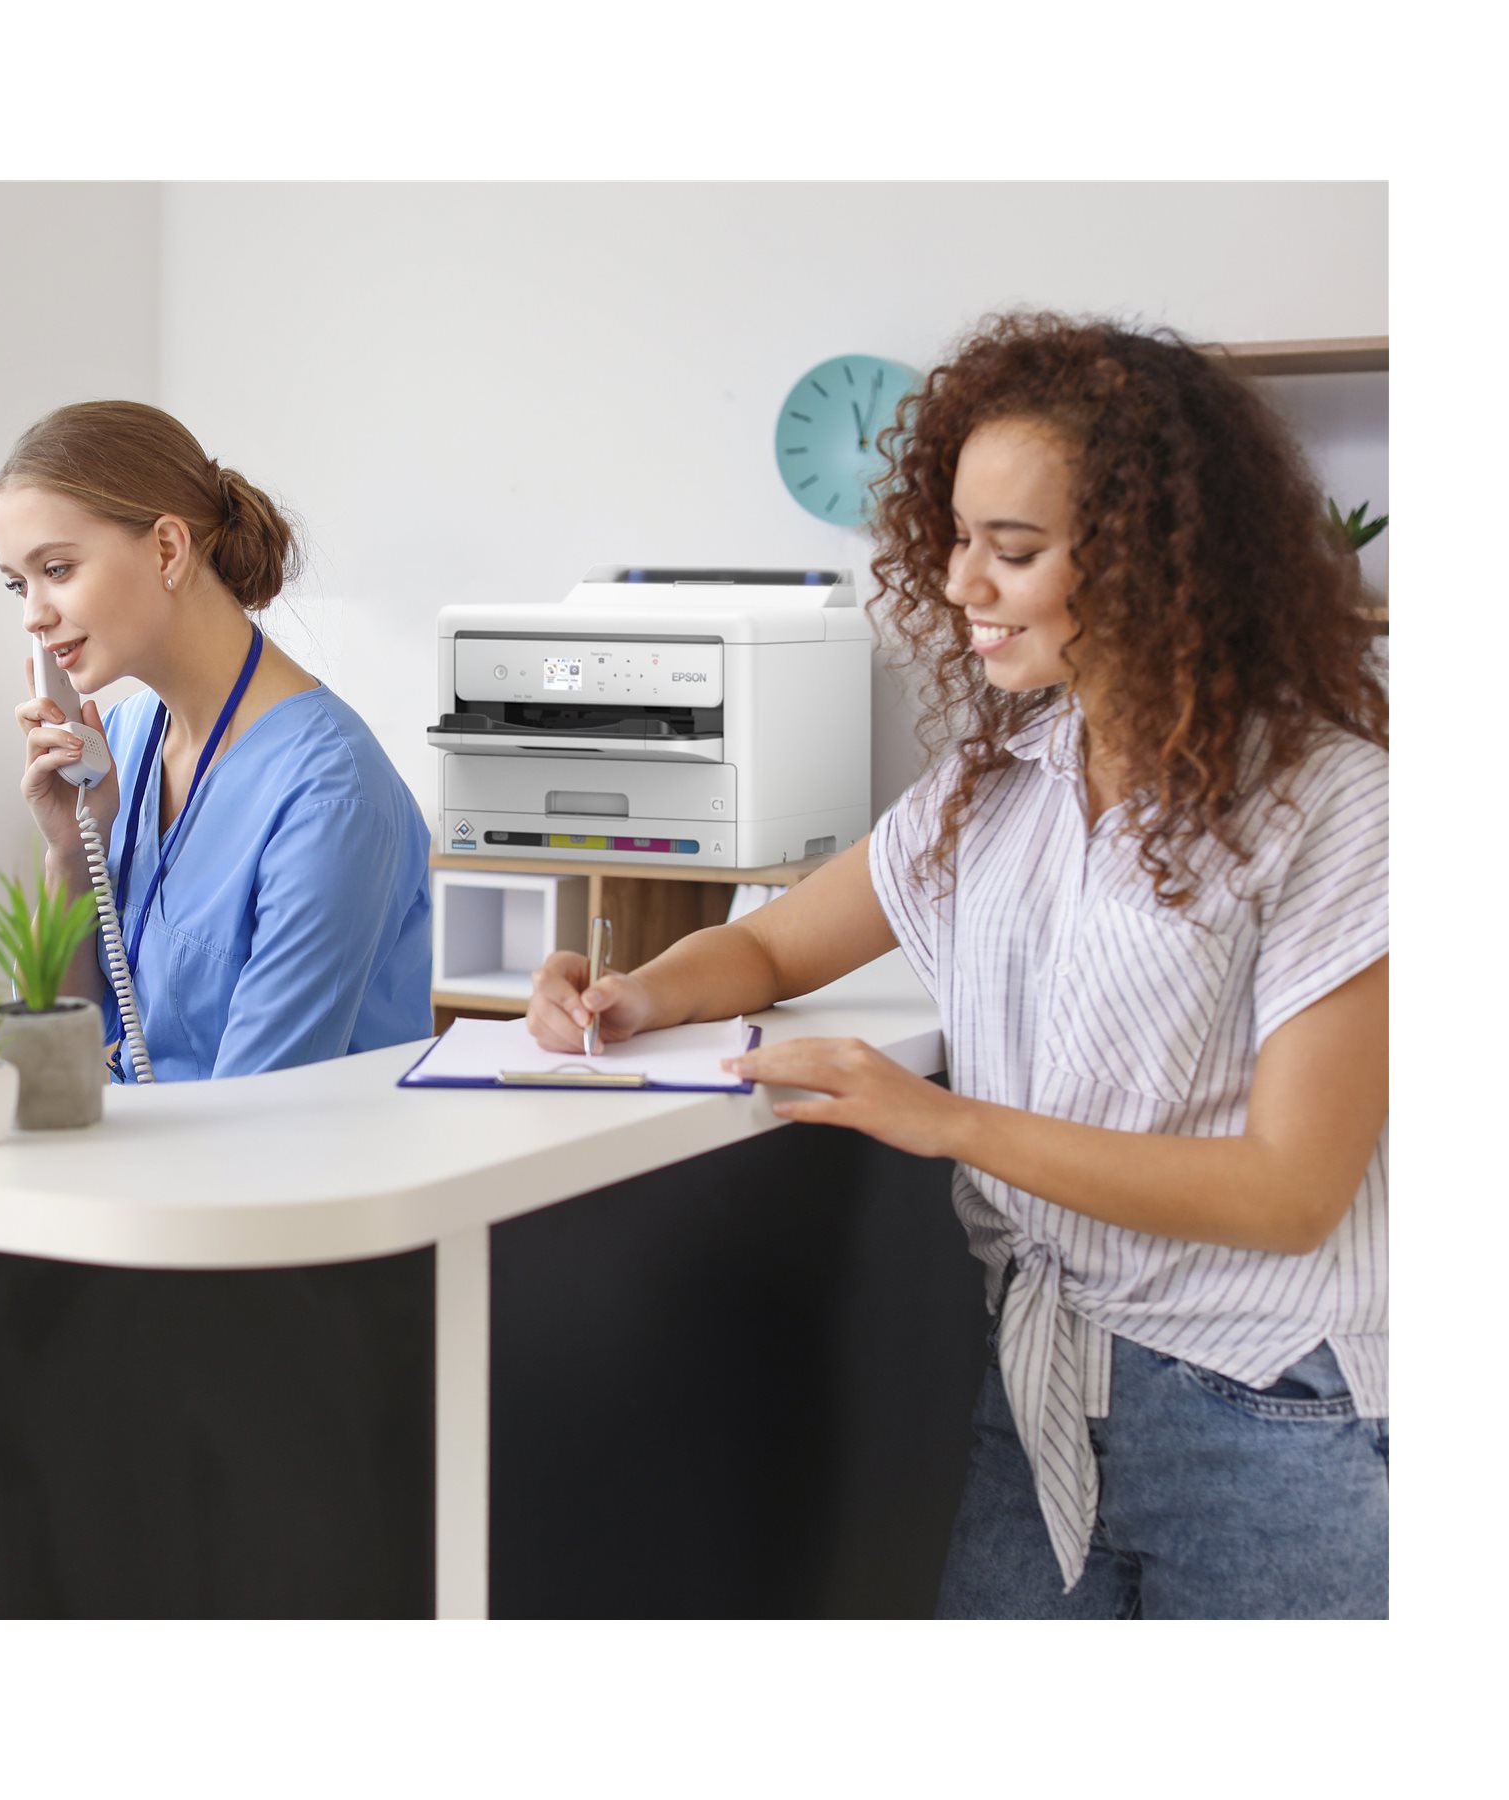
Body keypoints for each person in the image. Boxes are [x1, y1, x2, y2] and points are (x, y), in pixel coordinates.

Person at [524, 313, 1389, 1618]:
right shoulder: (991, 790)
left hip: (1271, 1416)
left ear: (1160, 560)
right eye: (959, 538)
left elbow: (1290, 1192)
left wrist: (945, 1123)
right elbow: (770, 942)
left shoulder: (1338, 805)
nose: (961, 582)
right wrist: (631, 995)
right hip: (1042, 1391)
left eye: (1014, 550)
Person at [0, 400, 431, 1084]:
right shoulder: (119, 741)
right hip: (138, 1144)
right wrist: (71, 850)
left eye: (56, 570)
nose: (32, 615)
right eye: (16, 584)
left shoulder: (331, 798)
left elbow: (252, 1117)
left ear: (167, 550)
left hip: (263, 1150)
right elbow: (44, 1059)